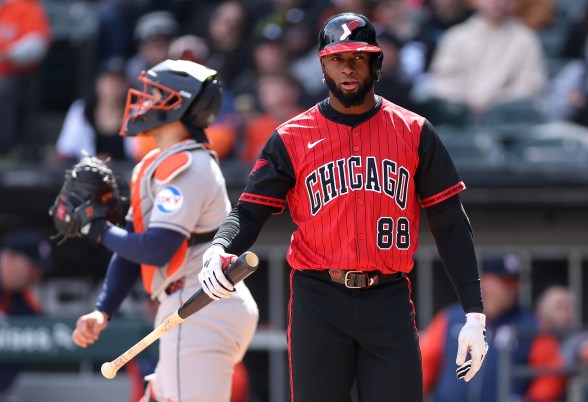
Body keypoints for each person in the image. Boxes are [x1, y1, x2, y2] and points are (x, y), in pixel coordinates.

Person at [198, 12, 488, 402]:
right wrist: (219, 247)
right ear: (322, 66)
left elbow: (451, 224)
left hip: (387, 298)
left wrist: (474, 314)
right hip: (318, 298)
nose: (348, 68)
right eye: (337, 59)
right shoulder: (291, 136)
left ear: (377, 64)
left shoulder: (415, 131)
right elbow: (250, 211)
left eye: (358, 57)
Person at [69, 59, 259, 402]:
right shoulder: (157, 162)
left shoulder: (188, 165)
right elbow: (132, 248)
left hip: (201, 306)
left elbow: (157, 248)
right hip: (190, 306)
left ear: (180, 102)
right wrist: (104, 310)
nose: (143, 101)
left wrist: (96, 229)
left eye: (154, 94)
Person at [420, 253, 567, 402]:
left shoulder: (533, 324)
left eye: (515, 282)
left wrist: (531, 399)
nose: (512, 288)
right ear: (484, 281)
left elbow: (552, 373)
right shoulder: (451, 318)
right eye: (505, 281)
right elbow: (424, 364)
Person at [426, 0, 547, 118]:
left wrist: (494, 103)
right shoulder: (456, 37)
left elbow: (530, 85)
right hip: (461, 118)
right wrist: (467, 101)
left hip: (508, 121)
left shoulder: (525, 39)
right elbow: (442, 81)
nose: (498, 2)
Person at [0, 229, 51, 399]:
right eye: (32, 266)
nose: (37, 275)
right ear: (10, 257)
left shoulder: (29, 305)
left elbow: (18, 356)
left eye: (39, 269)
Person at [0, 0, 51, 160]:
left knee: (0, 90)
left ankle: (2, 154)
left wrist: (3, 56)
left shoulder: (25, 7)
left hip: (10, 78)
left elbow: (36, 44)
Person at [55, 56, 140, 163]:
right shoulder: (81, 109)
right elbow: (63, 152)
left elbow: (144, 155)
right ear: (97, 83)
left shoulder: (138, 111)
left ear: (126, 85)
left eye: (119, 82)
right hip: (84, 177)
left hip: (129, 176)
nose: (113, 87)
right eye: (108, 81)